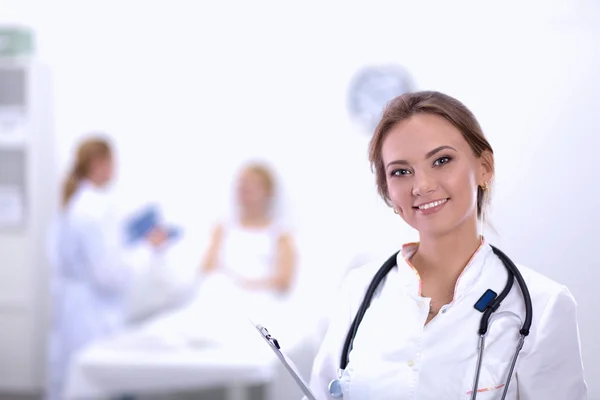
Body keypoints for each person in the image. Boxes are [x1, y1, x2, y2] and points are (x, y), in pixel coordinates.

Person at [306, 91, 587, 399]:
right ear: (387, 190)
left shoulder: (543, 306)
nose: (422, 185)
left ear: (484, 167)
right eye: (401, 171)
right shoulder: (358, 291)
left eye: (441, 160)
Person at [46, 136, 169, 400]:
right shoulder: (94, 209)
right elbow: (108, 276)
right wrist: (148, 247)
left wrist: (129, 241)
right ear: (101, 164)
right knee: (96, 384)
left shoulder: (77, 203)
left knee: (73, 379)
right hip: (93, 313)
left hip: (77, 307)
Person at [199, 162, 296, 296]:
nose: (244, 189)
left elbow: (284, 281)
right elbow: (206, 267)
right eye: (242, 183)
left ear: (267, 192)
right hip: (221, 292)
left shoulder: (280, 234)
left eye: (252, 184)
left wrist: (246, 285)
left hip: (261, 298)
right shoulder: (222, 227)